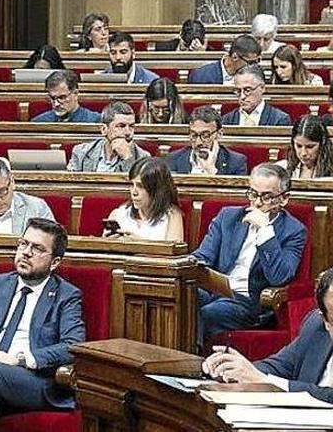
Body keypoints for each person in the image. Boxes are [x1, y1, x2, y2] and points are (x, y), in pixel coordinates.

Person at [0, 218, 86, 431]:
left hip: (34, 381)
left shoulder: (67, 295)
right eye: (23, 244)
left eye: (37, 248)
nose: (26, 252)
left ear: (55, 262)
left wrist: (18, 360)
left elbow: (72, 346)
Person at [192, 163, 307, 343]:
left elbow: (280, 277)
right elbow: (202, 256)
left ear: (284, 199)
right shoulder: (228, 217)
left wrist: (265, 230)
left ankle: (193, 365)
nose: (258, 202)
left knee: (208, 313)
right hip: (216, 292)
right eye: (253, 194)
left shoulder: (294, 231)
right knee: (181, 296)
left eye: (267, 197)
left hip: (250, 302)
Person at [202, 268, 333, 404]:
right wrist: (233, 370)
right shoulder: (315, 326)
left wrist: (266, 381)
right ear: (325, 321)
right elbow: (278, 366)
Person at [103, 157, 184, 241]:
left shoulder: (172, 216)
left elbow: (173, 251)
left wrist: (140, 243)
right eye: (132, 185)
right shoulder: (118, 214)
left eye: (140, 186)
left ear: (156, 189)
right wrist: (106, 243)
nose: (134, 192)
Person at [67, 102, 151, 173]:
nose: (128, 132)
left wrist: (127, 158)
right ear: (104, 129)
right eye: (121, 126)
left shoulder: (143, 157)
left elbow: (138, 188)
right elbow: (69, 185)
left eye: (131, 126)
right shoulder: (81, 152)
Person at [165, 105, 248, 175]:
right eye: (193, 135)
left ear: (219, 134)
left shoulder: (236, 163)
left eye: (205, 136)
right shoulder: (173, 159)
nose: (198, 142)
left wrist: (211, 170)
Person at [222, 64, 291, 126]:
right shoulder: (227, 120)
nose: (242, 97)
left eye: (247, 90)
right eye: (238, 91)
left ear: (262, 88)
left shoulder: (279, 119)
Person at [30, 70, 101, 123]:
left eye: (62, 97)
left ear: (75, 94)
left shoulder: (96, 121)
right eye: (52, 98)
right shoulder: (39, 122)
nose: (56, 104)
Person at [187, 34, 262, 85]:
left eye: (257, 61)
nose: (254, 66)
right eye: (250, 62)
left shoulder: (256, 76)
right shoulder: (202, 75)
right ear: (235, 57)